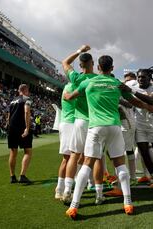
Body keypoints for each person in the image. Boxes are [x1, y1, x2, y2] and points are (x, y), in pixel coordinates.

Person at [65, 55, 153, 219]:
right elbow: (134, 102)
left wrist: (67, 96)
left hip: (96, 127)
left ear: (98, 67)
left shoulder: (87, 82)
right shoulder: (117, 84)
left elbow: (69, 97)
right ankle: (128, 203)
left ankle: (74, 206)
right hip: (114, 127)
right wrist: (148, 107)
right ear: (112, 68)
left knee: (87, 165)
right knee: (120, 164)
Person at [120, 67, 153, 197]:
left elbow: (150, 100)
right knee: (145, 155)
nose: (140, 79)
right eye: (138, 77)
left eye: (143, 77)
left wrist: (131, 91)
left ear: (149, 78)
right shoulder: (134, 86)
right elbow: (127, 98)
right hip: (139, 126)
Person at [61, 45, 102, 203]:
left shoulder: (76, 78)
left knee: (74, 155)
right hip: (94, 121)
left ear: (80, 65)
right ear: (93, 63)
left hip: (79, 121)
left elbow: (65, 62)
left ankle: (67, 190)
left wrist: (79, 51)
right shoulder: (97, 79)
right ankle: (98, 193)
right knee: (97, 157)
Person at [7, 84, 33, 184]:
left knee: (13, 153)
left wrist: (9, 127)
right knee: (28, 151)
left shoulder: (12, 101)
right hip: (22, 128)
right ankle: (22, 175)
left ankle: (12, 177)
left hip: (11, 128)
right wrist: (27, 128)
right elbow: (27, 112)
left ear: (19, 91)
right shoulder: (27, 99)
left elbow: (8, 115)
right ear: (26, 90)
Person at [54, 81, 76, 200]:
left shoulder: (68, 86)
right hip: (70, 124)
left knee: (71, 158)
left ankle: (65, 186)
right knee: (68, 158)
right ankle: (60, 188)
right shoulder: (72, 86)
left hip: (68, 123)